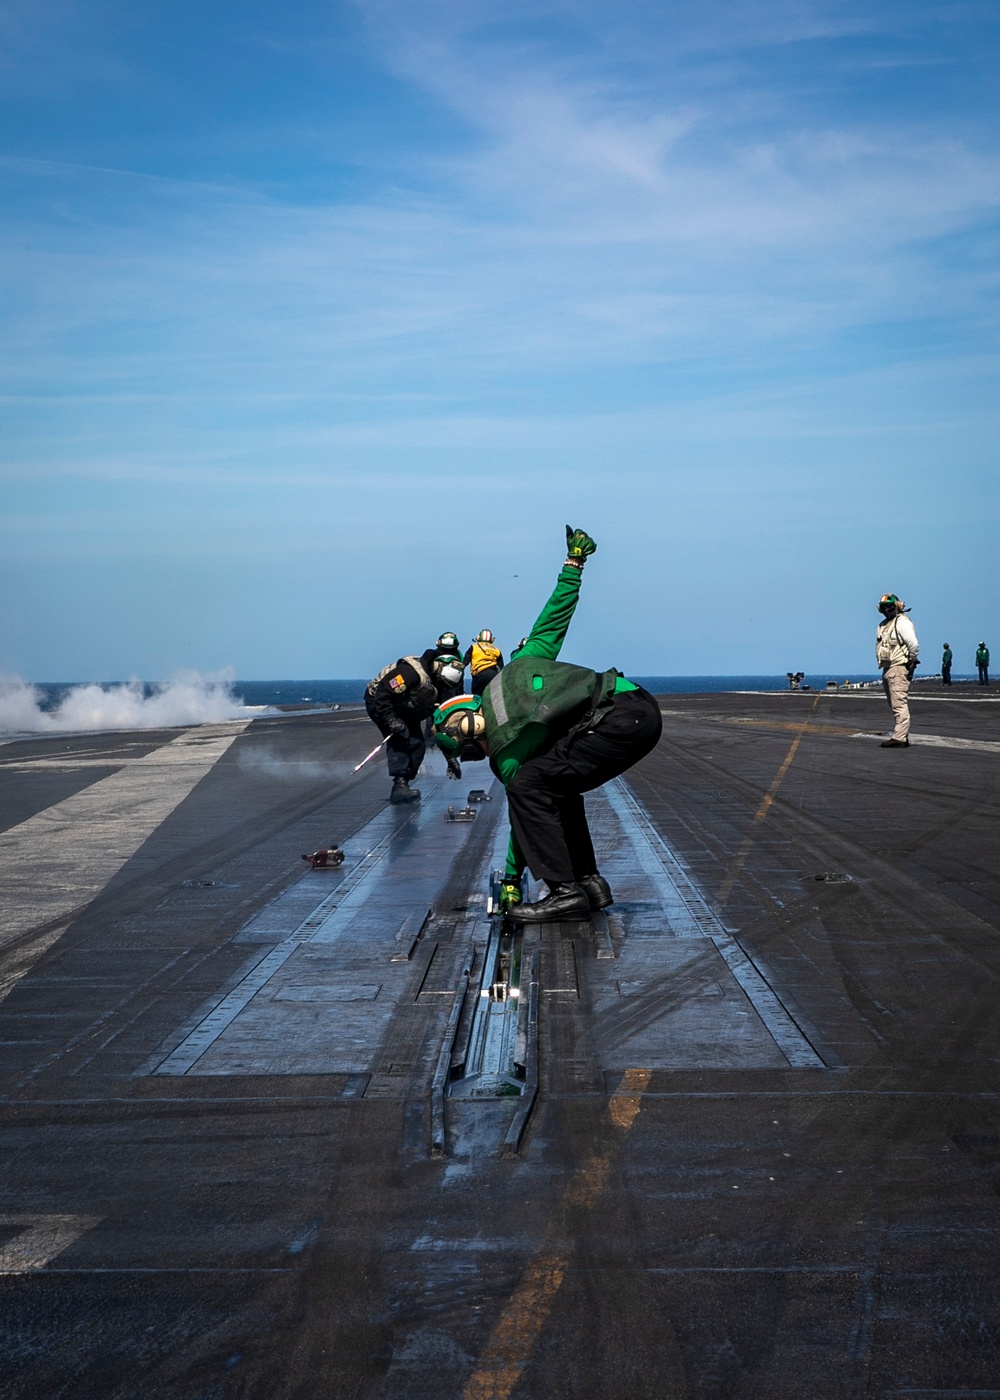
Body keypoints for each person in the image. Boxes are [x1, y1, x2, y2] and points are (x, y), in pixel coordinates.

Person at [432, 526, 663, 922]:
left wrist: (510, 876)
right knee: (558, 786)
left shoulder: (505, 751)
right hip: (638, 706)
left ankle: (564, 891)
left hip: (616, 722)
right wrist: (574, 563)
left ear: (469, 732)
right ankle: (589, 882)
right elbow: (553, 618)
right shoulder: (519, 664)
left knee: (529, 786)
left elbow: (523, 818)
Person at [365, 644, 465, 802]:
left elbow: (440, 724)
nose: (444, 688)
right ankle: (399, 786)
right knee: (401, 739)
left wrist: (450, 758)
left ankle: (403, 783)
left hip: (405, 706)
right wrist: (390, 719)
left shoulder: (441, 686)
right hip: (381, 702)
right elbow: (383, 692)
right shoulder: (410, 672)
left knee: (418, 745)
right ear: (437, 670)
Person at [875, 594, 919, 749]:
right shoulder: (884, 625)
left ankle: (899, 737)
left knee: (899, 704)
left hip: (899, 666)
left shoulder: (902, 623)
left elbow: (913, 644)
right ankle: (902, 735)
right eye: (884, 608)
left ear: (897, 606)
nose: (887, 610)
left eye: (890, 607)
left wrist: (911, 661)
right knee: (894, 704)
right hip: (888, 667)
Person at [463, 629, 505, 696]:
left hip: (480, 675)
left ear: (478, 638)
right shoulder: (496, 650)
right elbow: (501, 667)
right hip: (494, 675)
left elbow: (465, 661)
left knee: (476, 697)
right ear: (491, 639)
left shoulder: (474, 647)